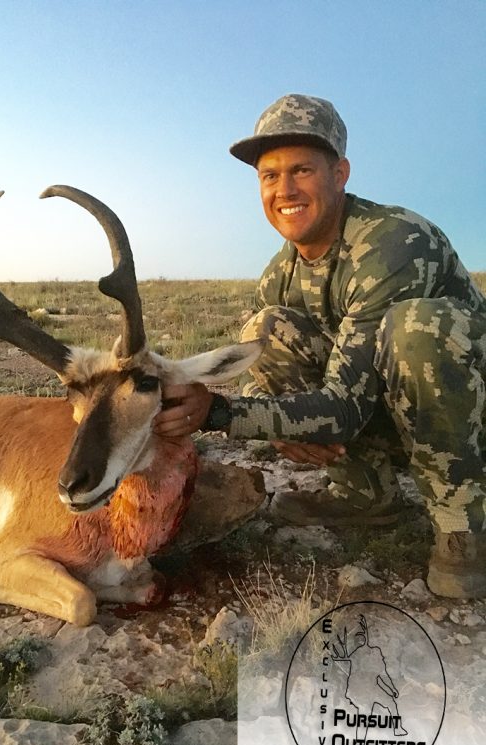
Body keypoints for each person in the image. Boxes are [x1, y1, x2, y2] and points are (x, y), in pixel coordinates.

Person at [154, 93, 486, 599]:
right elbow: (327, 397)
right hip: (390, 413)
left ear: (341, 173)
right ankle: (366, 495)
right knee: (265, 332)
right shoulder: (278, 277)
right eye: (269, 175)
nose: (284, 189)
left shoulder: (393, 243)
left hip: (470, 422)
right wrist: (286, 423)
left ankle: (462, 525)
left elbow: (346, 407)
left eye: (302, 170)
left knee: (416, 327)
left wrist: (218, 412)